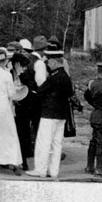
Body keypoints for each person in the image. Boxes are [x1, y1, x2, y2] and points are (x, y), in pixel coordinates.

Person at [27, 45, 73, 179]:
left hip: (49, 113)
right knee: (57, 143)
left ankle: (40, 169)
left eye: (48, 62)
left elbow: (41, 91)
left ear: (53, 61)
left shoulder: (53, 77)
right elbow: (69, 93)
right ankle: (53, 171)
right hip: (62, 114)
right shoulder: (65, 76)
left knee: (44, 142)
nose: (47, 64)